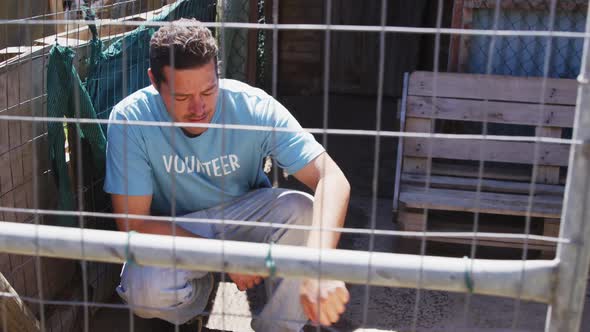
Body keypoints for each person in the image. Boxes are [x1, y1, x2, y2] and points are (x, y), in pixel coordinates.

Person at [104, 18, 351, 332]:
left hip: (244, 214)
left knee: (302, 210)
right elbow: (134, 223)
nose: (199, 108)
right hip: (178, 227)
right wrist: (222, 258)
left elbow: (332, 177)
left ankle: (280, 327)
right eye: (181, 97)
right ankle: (197, 303)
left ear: (218, 72)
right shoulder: (131, 118)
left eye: (209, 90)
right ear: (155, 81)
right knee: (143, 288)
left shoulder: (253, 107)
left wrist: (319, 265)